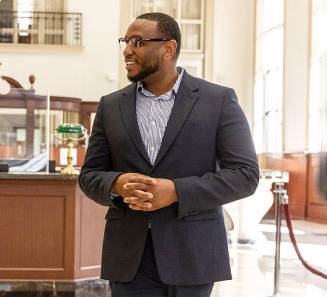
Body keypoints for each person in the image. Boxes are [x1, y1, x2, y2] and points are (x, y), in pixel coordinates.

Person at [78, 12, 259, 297]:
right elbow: (89, 176)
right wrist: (117, 184)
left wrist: (176, 191)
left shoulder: (218, 100)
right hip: (129, 257)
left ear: (168, 48)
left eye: (136, 41)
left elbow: (245, 175)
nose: (127, 50)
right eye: (125, 41)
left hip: (193, 253)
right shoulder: (110, 106)